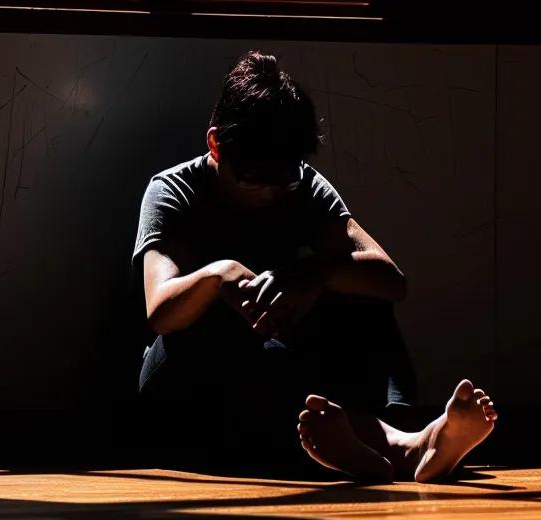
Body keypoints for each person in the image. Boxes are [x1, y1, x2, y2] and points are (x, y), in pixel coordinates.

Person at [132, 51, 495, 483]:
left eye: (281, 178)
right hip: (190, 394)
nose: (268, 191)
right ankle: (407, 446)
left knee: (360, 289)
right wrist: (218, 275)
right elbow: (159, 310)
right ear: (216, 144)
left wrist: (315, 275)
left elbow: (391, 280)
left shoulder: (301, 185)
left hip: (284, 376)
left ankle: (377, 444)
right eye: (253, 177)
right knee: (210, 321)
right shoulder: (174, 190)